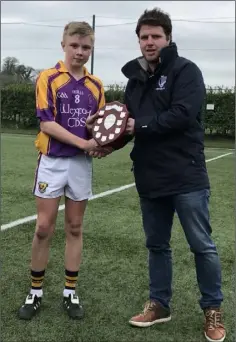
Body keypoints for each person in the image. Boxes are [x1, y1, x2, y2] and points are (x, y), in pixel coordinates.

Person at [120, 7, 225, 342]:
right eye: (144, 37)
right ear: (138, 41)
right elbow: (126, 125)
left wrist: (141, 124)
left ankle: (212, 310)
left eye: (156, 36)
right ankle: (159, 304)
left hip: (186, 176)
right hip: (150, 177)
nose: (149, 42)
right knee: (156, 245)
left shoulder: (186, 71)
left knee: (202, 246)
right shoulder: (134, 81)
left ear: (168, 39)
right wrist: (102, 141)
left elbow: (181, 115)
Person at [18, 21, 111, 321]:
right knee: (44, 227)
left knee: (74, 227)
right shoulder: (48, 77)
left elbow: (98, 126)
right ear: (63, 45)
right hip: (53, 162)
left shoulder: (96, 85)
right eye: (75, 45)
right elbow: (46, 124)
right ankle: (35, 292)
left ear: (91, 49)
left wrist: (103, 142)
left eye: (86, 47)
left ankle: (70, 292)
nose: (80, 52)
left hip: (80, 166)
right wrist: (85, 144)